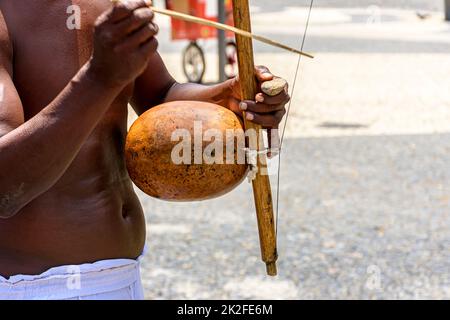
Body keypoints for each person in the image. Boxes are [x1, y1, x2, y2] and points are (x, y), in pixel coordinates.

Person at [0, 0, 290, 299]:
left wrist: (231, 97)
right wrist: (99, 78)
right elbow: (4, 186)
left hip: (123, 273)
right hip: (41, 287)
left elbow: (161, 93)